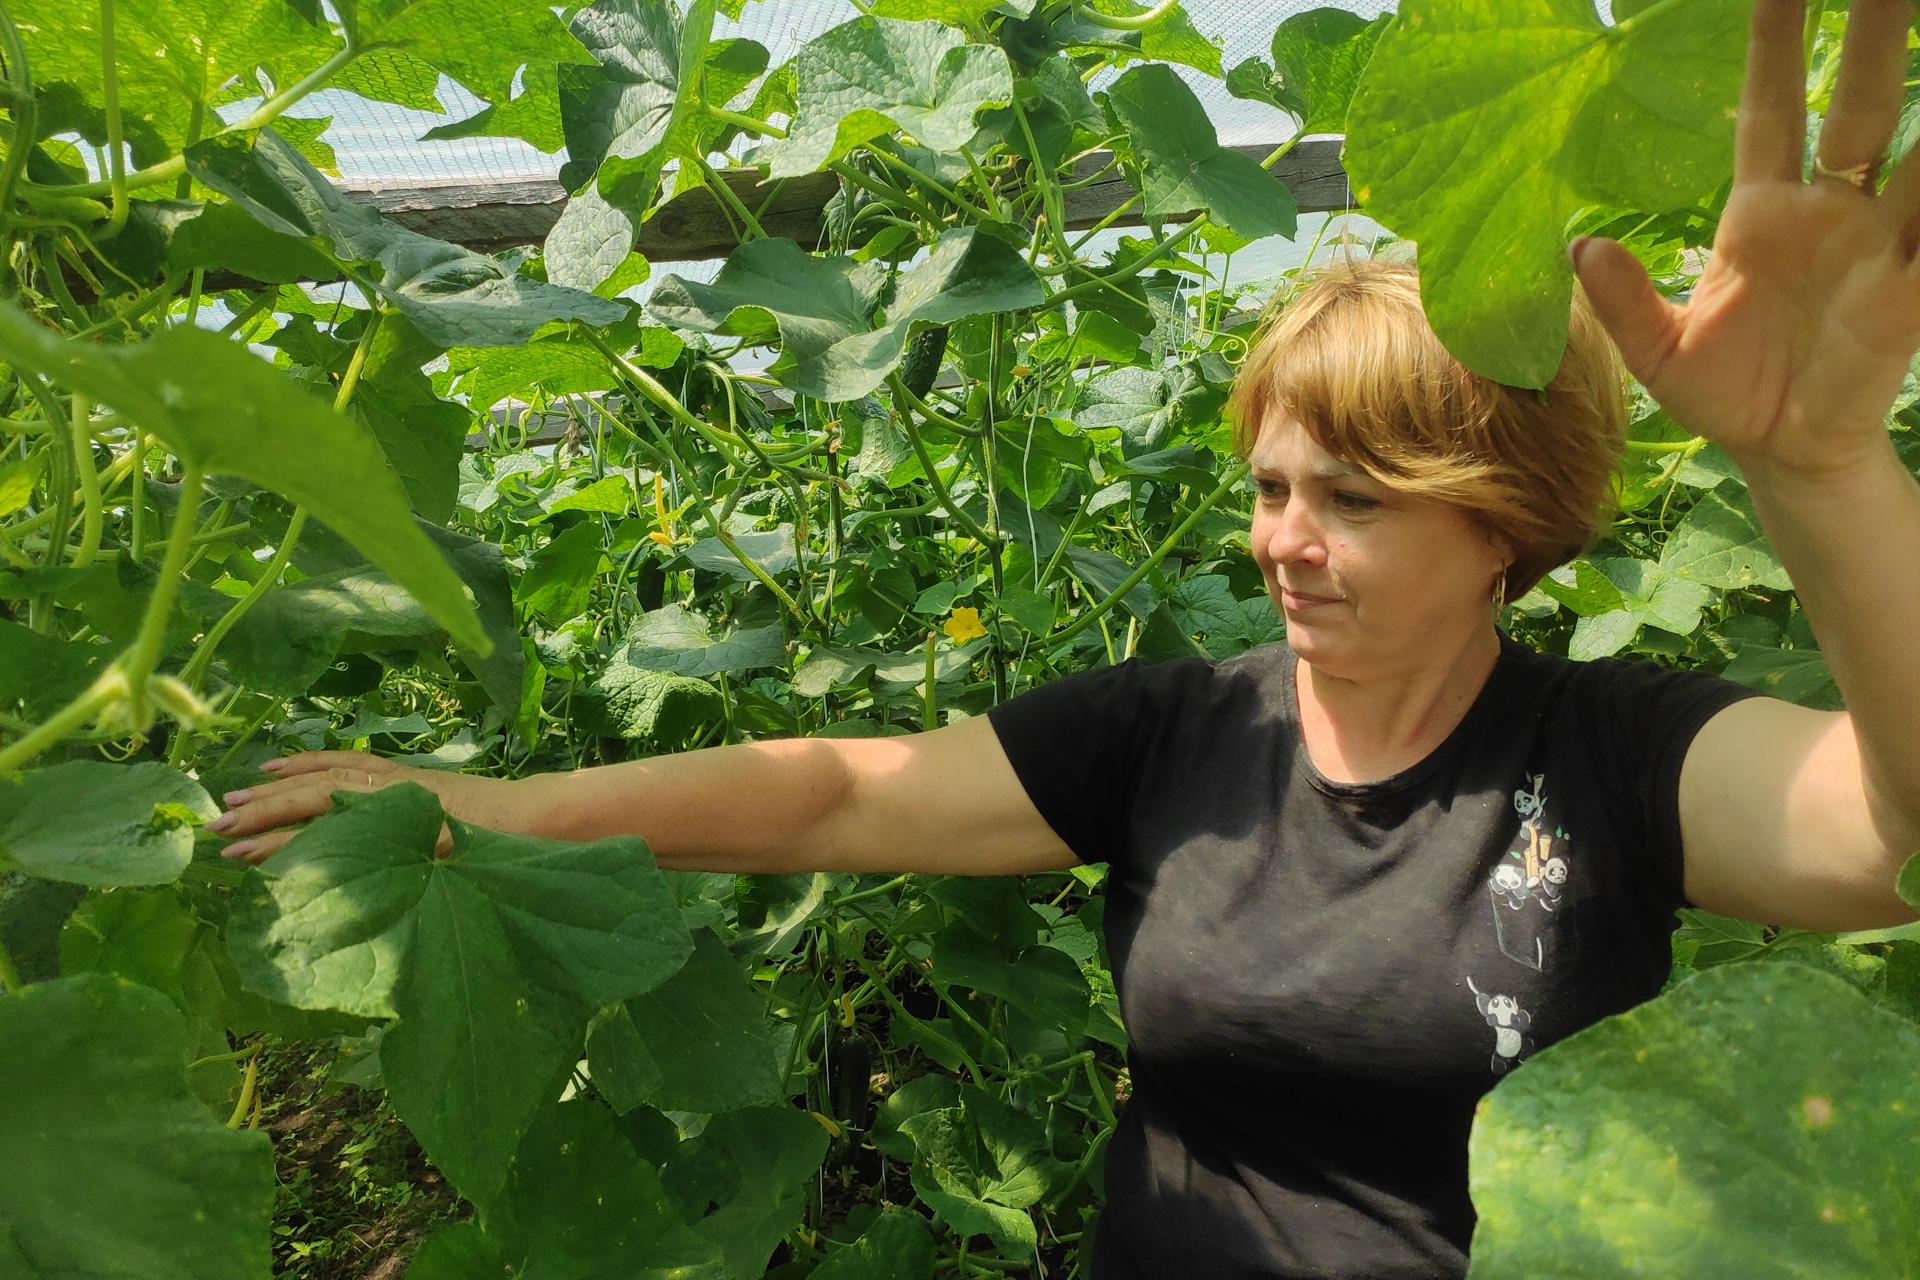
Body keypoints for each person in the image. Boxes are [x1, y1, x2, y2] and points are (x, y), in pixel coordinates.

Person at [208, 1, 1920, 1275]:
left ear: (1509, 517)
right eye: (1270, 484)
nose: (1285, 542)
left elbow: (1898, 839)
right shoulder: (1183, 734)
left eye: (1358, 498)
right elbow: (832, 796)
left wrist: (1826, 477)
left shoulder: (1612, 758)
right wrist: (478, 804)